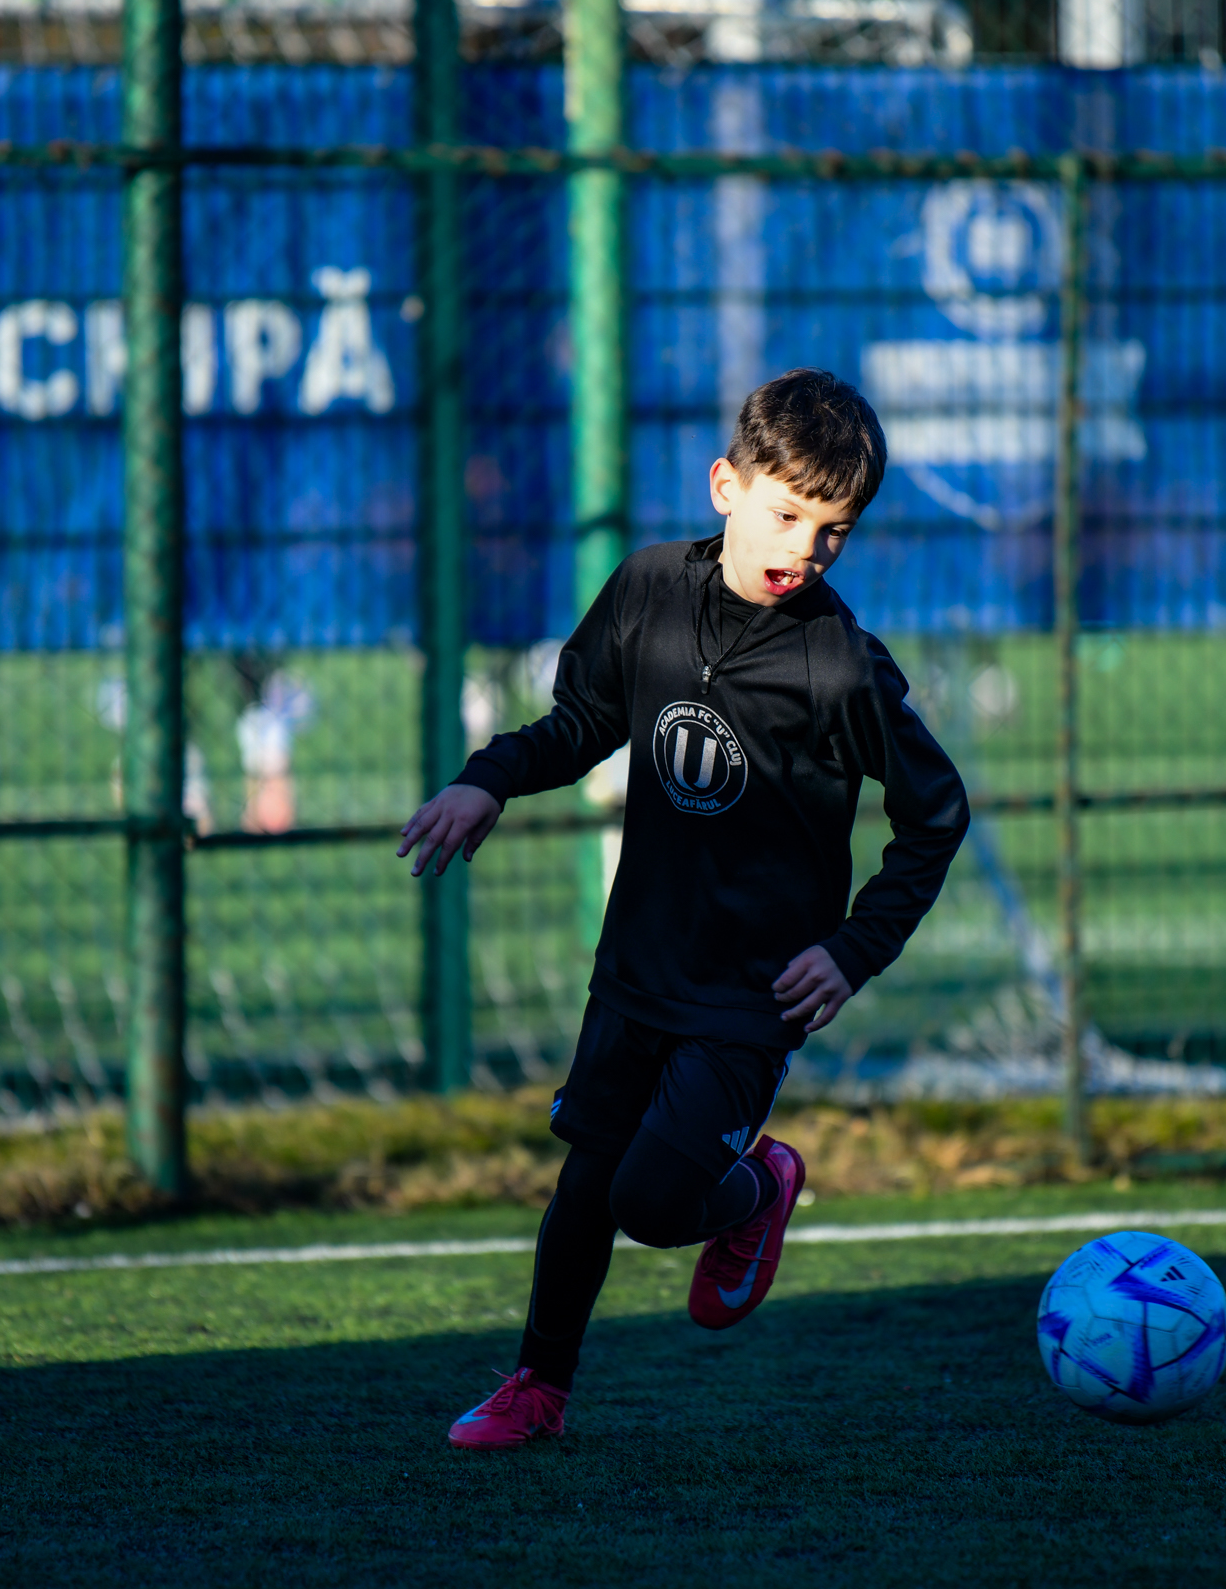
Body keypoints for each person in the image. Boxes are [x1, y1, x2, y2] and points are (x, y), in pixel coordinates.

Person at [396, 368, 970, 1449]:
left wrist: (849, 952)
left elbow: (934, 816)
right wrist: (488, 778)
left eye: (833, 530)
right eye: (787, 513)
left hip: (753, 993)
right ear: (724, 484)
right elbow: (578, 723)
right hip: (640, 961)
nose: (804, 547)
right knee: (587, 1177)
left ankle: (753, 1186)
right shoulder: (648, 589)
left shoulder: (840, 668)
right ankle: (537, 1386)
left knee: (653, 1202)